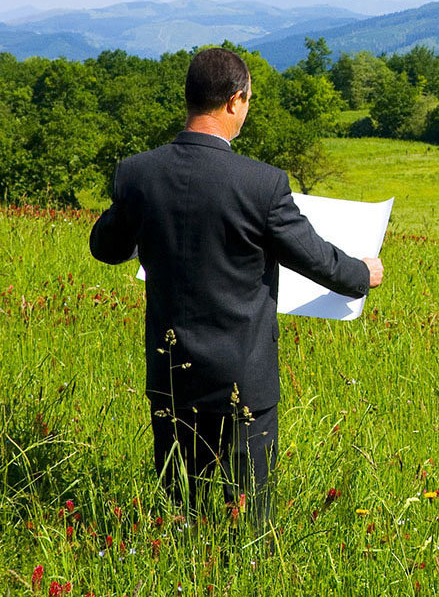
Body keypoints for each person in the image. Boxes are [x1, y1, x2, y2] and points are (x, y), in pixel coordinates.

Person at [89, 47, 383, 531]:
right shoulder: (261, 184)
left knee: (178, 510)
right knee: (248, 520)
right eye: (247, 101)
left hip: (170, 372)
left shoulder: (138, 174)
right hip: (242, 379)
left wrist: (141, 215)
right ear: (233, 101)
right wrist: (361, 273)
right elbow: (314, 256)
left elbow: (106, 247)